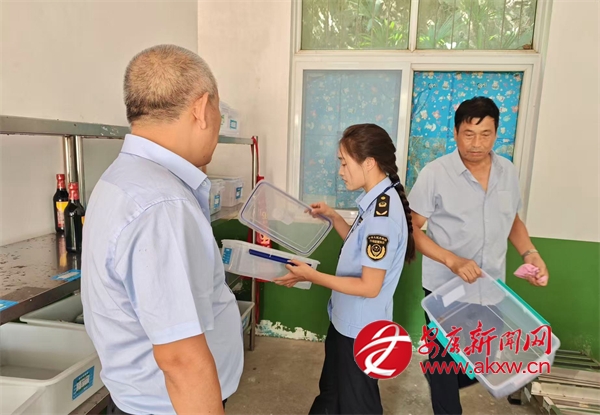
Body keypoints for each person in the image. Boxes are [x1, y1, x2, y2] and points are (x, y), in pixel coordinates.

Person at [81, 45, 243, 415]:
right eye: (218, 112)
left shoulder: (124, 178)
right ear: (201, 109)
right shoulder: (162, 205)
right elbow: (181, 361)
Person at [408, 96, 549, 415]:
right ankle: (442, 386)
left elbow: (512, 220)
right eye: (469, 134)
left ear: (497, 133)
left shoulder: (507, 172)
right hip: (445, 289)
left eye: (485, 134)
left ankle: (437, 375)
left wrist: (530, 253)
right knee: (445, 362)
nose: (476, 143)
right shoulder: (435, 173)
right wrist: (451, 260)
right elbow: (412, 228)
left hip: (491, 286)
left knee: (480, 363)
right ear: (456, 133)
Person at [274, 124, 416, 414]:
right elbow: (359, 245)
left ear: (369, 162)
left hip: (360, 332)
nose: (340, 171)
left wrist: (311, 276)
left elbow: (369, 286)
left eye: (343, 162)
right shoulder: (376, 201)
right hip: (346, 322)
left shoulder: (382, 215)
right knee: (332, 393)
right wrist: (333, 216)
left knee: (357, 405)